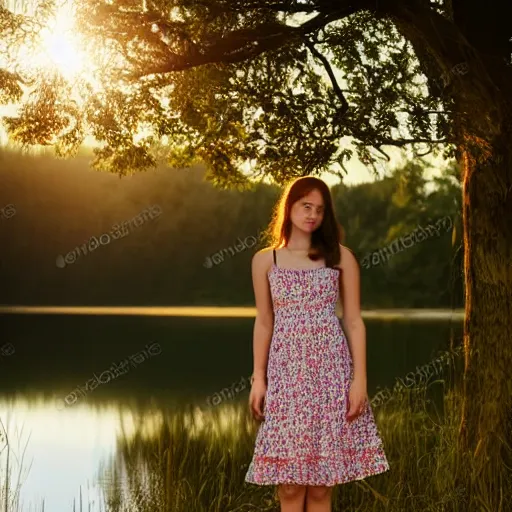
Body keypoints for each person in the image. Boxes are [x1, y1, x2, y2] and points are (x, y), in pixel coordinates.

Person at [244, 177, 389, 511]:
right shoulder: (266, 261)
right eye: (305, 206)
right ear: (289, 207)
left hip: (331, 374)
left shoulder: (340, 258)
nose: (312, 215)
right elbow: (264, 321)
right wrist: (258, 377)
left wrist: (359, 381)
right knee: (291, 487)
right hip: (286, 377)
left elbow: (354, 321)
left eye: (319, 210)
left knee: (322, 487)